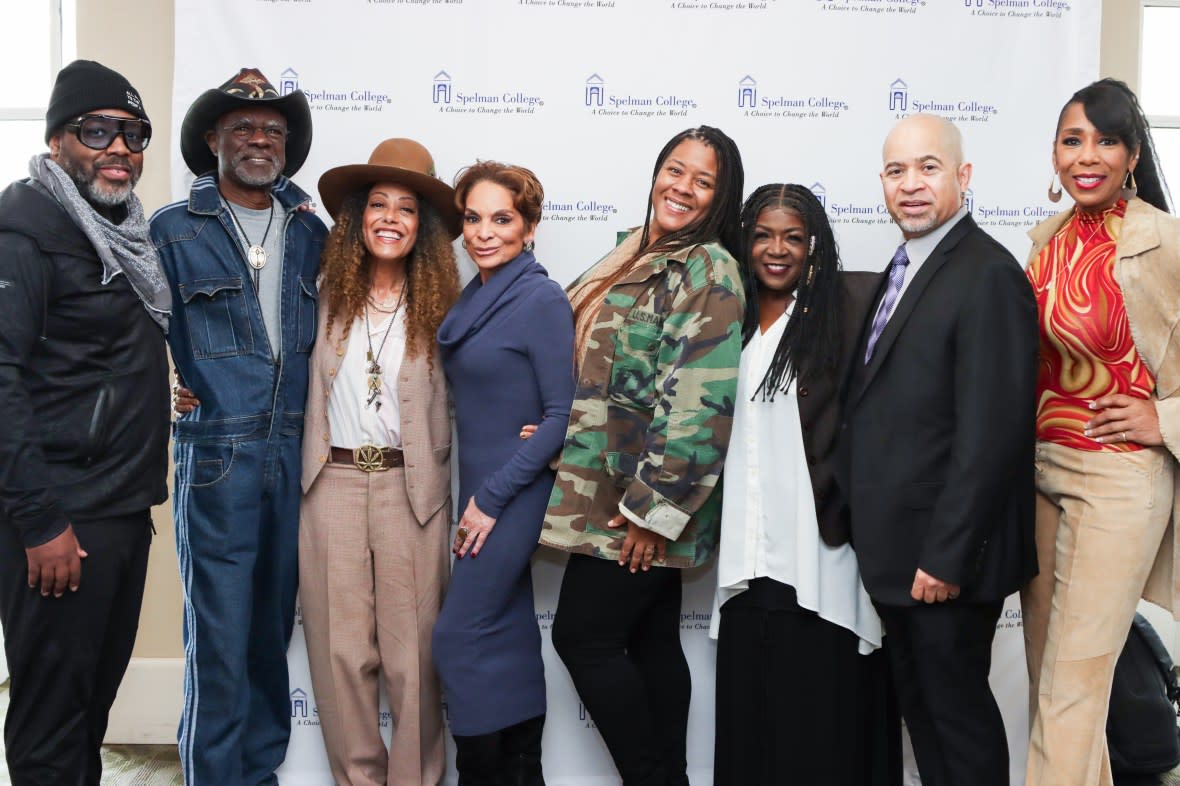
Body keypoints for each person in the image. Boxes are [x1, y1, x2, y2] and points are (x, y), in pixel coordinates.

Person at [540, 126, 747, 786]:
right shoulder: (629, 251)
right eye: (674, 170)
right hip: (603, 485)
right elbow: (597, 366)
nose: (681, 187)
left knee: (584, 637)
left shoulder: (709, 271)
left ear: (721, 197)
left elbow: (699, 403)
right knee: (650, 641)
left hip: (640, 501)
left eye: (702, 180)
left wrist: (651, 512)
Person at [837, 114, 1038, 786]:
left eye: (928, 167)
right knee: (924, 722)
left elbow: (992, 434)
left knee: (959, 729)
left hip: (944, 565)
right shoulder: (906, 265)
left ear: (964, 176)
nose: (911, 185)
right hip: (898, 557)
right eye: (897, 171)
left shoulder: (987, 275)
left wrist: (946, 556)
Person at [150, 67, 327, 785]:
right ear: (213, 139)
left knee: (266, 638)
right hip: (217, 453)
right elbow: (135, 332)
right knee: (218, 640)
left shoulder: (313, 229)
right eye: (244, 128)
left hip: (294, 449)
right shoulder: (172, 227)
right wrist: (157, 384)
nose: (260, 140)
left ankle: (258, 774)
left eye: (273, 131)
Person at [0, 60, 169, 785]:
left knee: (88, 712)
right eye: (96, 130)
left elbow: (102, 355)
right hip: (62, 518)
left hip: (121, 509)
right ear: (56, 139)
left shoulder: (118, 231)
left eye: (133, 133)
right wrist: (40, 521)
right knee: (50, 723)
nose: (119, 148)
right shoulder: (27, 228)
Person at [710, 183, 899, 786]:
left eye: (793, 236)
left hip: (822, 558)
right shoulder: (725, 319)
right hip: (746, 559)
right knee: (754, 728)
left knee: (821, 725)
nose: (777, 249)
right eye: (763, 235)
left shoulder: (845, 315)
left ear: (814, 244)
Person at [1020, 79, 1180, 786]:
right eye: (1072, 139)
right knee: (1049, 684)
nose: (1087, 156)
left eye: (1105, 140)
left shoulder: (1162, 242)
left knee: (1072, 690)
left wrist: (1162, 418)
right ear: (1055, 152)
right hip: (1040, 472)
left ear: (1132, 154)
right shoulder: (1045, 242)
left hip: (1119, 480)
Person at [293, 138, 461, 786]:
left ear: (423, 229)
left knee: (413, 659)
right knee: (339, 655)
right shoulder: (319, 292)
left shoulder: (446, 305)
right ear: (358, 217)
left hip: (409, 487)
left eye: (407, 209)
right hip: (329, 483)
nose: (391, 218)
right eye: (379, 205)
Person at [432, 161, 574, 786]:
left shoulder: (538, 297)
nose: (484, 233)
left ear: (530, 226)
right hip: (483, 484)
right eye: (472, 218)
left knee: (458, 636)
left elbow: (561, 414)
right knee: (508, 632)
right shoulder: (477, 296)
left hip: (510, 491)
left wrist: (490, 497)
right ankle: (523, 774)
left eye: (502, 218)